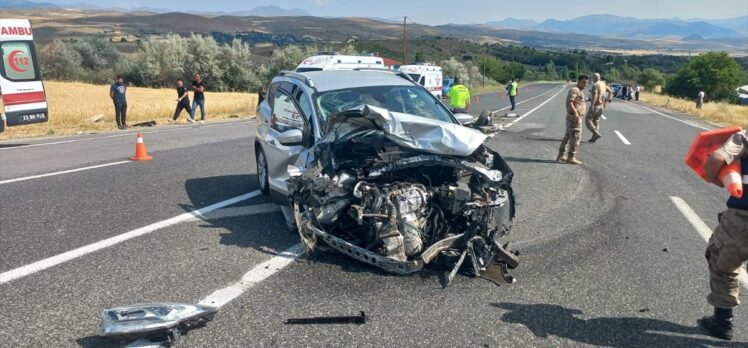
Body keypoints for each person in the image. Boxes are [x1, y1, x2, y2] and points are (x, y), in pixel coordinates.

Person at [699, 128, 748, 341]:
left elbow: (716, 159)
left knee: (722, 263)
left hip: (743, 217)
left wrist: (715, 179)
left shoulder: (744, 136)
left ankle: (723, 321)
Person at [556, 75, 588, 165]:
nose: (585, 84)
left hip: (573, 116)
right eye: (584, 82)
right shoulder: (575, 90)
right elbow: (570, 102)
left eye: (587, 82)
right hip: (574, 117)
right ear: (579, 81)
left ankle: (561, 154)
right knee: (575, 138)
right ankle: (571, 157)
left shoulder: (580, 91)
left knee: (568, 136)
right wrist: (576, 114)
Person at [585, 73, 606, 143]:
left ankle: (595, 133)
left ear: (593, 78)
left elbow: (595, 95)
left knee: (588, 120)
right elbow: (610, 92)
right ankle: (594, 138)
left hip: (596, 105)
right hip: (601, 105)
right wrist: (605, 103)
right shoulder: (603, 84)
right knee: (596, 121)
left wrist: (592, 105)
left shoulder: (595, 85)